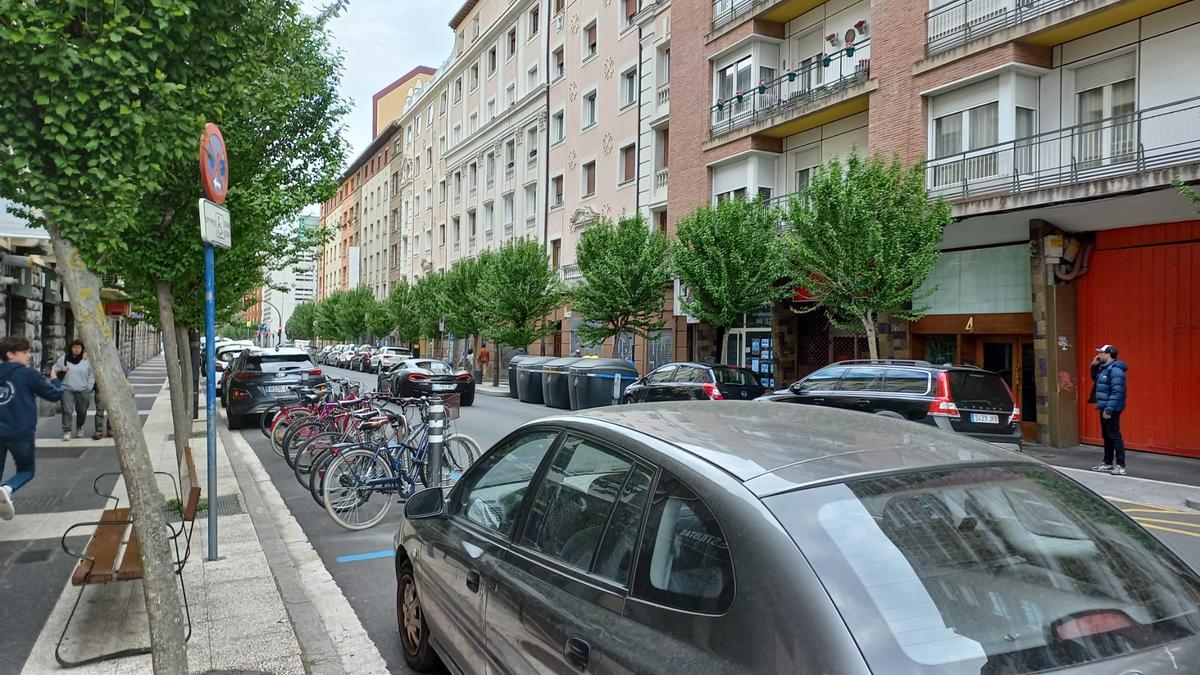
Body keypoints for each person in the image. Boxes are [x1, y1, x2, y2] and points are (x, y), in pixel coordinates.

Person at [0, 336, 64, 520]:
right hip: (20, 431)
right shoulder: (27, 374)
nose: (28, 355)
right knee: (26, 470)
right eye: (24, 352)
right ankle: (7, 489)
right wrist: (55, 380)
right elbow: (54, 395)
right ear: (10, 354)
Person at [1089, 344, 1128, 476]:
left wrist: (1109, 409)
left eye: (1101, 353)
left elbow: (1117, 392)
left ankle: (1121, 466)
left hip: (1111, 408)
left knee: (1114, 436)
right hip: (1104, 406)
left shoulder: (1115, 370)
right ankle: (1107, 463)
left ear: (1108, 354)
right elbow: (1097, 381)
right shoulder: (1105, 369)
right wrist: (1094, 366)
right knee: (1107, 435)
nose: (1098, 355)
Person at [54, 340, 96, 441]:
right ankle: (67, 430)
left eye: (78, 347)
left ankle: (79, 427)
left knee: (82, 411)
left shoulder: (87, 360)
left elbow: (92, 374)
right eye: (74, 347)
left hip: (83, 389)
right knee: (67, 410)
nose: (76, 349)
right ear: (70, 348)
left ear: (82, 349)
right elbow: (53, 370)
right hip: (67, 389)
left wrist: (89, 387)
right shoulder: (63, 359)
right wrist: (61, 370)